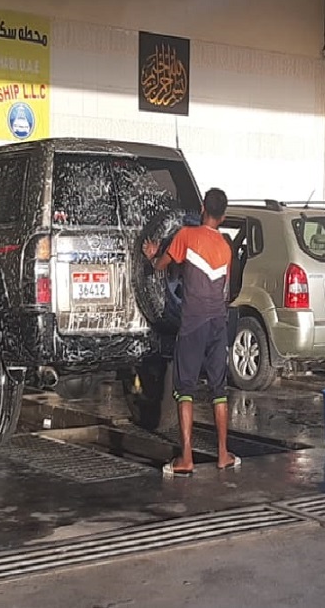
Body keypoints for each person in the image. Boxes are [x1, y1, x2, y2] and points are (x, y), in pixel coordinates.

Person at [143, 188, 240, 476]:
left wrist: (152, 255)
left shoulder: (186, 235)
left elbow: (161, 266)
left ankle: (186, 458)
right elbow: (225, 289)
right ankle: (223, 455)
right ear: (223, 216)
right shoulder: (225, 247)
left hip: (193, 323)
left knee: (185, 389)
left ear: (202, 209)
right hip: (218, 323)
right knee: (218, 390)